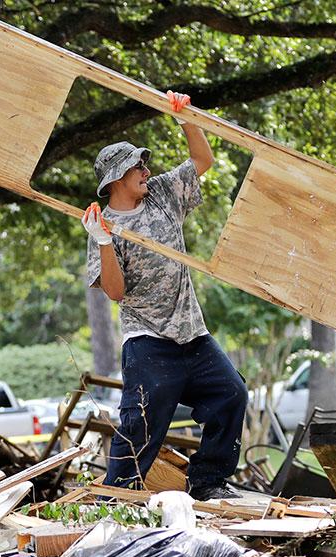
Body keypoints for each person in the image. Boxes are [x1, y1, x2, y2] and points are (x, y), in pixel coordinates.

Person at [83, 91, 248, 502]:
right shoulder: (103, 225)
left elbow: (202, 162)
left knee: (231, 394)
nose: (146, 168)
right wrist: (104, 243)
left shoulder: (161, 193)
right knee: (140, 423)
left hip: (191, 333)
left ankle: (208, 481)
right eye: (137, 166)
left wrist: (185, 119)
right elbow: (117, 293)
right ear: (116, 179)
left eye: (143, 162)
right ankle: (116, 498)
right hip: (148, 342)